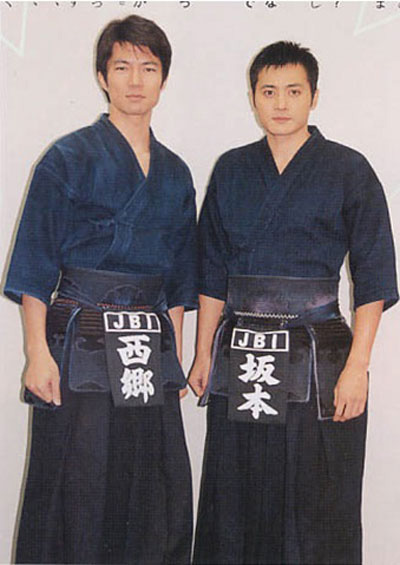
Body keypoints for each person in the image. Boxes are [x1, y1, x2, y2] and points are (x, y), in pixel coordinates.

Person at [189, 41, 398, 565]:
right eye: (268, 92)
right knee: (236, 497)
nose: (280, 103)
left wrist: (358, 367)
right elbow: (212, 271)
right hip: (241, 352)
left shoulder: (348, 169)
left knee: (317, 500)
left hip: (319, 357)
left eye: (293, 91)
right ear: (253, 99)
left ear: (314, 97)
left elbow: (373, 277)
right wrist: (202, 353)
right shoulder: (233, 169)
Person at [4, 14, 197, 565]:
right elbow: (36, 264)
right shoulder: (66, 158)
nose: (136, 80)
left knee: (153, 485)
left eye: (149, 68)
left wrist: (173, 360)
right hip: (78, 341)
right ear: (101, 76)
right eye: (122, 67)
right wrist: (37, 354)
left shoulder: (176, 173)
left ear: (164, 80)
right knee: (77, 481)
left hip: (148, 349)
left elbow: (179, 281)